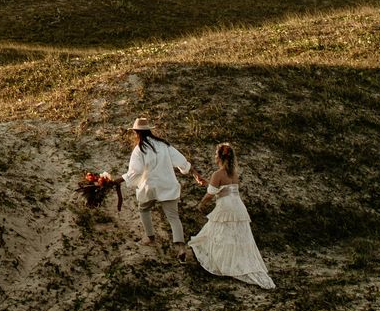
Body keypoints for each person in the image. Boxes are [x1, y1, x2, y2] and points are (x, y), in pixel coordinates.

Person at [186, 142, 274, 289]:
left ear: (219, 157)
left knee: (217, 233)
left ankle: (222, 263)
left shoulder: (217, 174)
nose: (214, 156)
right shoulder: (234, 173)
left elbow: (211, 194)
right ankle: (232, 262)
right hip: (237, 205)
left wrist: (201, 204)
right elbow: (226, 188)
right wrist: (207, 183)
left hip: (226, 207)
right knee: (235, 235)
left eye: (216, 154)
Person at [117, 116, 202, 258]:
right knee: (173, 217)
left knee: (143, 209)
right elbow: (181, 161)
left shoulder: (139, 149)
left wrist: (119, 180)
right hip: (168, 185)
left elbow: (135, 171)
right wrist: (193, 173)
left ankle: (150, 237)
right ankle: (181, 248)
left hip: (150, 186)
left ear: (136, 132)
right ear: (149, 131)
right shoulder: (164, 145)